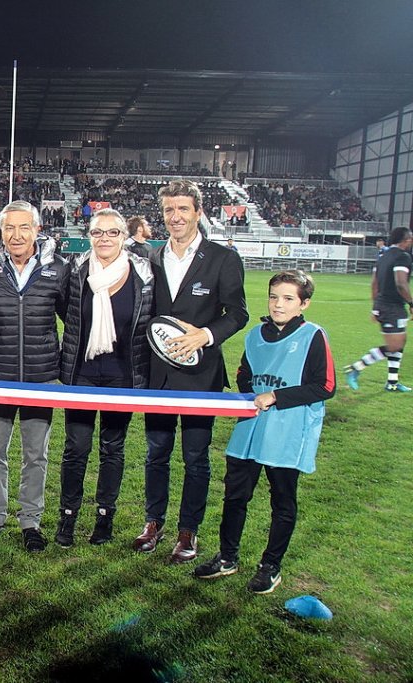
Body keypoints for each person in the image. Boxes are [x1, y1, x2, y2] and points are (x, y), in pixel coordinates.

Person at [194, 270, 335, 593]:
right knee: (235, 495)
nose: (278, 304)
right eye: (274, 297)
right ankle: (227, 557)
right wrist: (251, 392)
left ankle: (271, 565)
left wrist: (277, 396)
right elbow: (245, 373)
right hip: (251, 427)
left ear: (304, 304)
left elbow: (325, 385)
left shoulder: (313, 335)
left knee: (282, 500)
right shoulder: (255, 334)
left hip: (287, 430)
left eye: (288, 299)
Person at [134, 179, 248, 563]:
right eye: (169, 210)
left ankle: (188, 531)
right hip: (159, 377)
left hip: (202, 377)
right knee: (156, 453)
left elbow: (238, 313)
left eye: (183, 209)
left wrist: (207, 335)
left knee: (196, 457)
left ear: (198, 212)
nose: (176, 216)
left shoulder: (223, 258)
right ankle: (153, 522)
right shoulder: (150, 257)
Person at [0, 200, 70, 553]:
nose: (16, 235)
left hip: (41, 378)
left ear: (37, 230)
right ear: (1, 232)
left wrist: (67, 370)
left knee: (36, 456)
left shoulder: (58, 268)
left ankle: (31, 521)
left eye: (23, 227)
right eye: (9, 228)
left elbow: (72, 321)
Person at [55, 209, 154, 548]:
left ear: (125, 236)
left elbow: (149, 318)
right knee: (76, 447)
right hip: (82, 373)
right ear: (90, 235)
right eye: (98, 233)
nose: (105, 239)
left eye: (112, 233)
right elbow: (66, 310)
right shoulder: (77, 271)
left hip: (121, 375)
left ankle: (104, 518)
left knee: (113, 448)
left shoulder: (143, 272)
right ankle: (67, 518)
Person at [344, 227, 413, 393]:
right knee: (395, 344)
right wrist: (411, 302)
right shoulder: (403, 257)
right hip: (392, 307)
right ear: (405, 240)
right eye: (410, 238)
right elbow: (401, 283)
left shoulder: (383, 255)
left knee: (399, 342)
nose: (411, 241)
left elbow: (374, 284)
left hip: (386, 305)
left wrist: (376, 307)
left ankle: (392, 383)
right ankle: (356, 368)